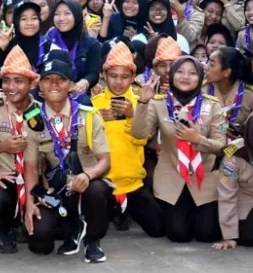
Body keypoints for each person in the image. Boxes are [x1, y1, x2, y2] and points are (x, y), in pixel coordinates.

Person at [23, 59, 111, 263]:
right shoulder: (33, 120)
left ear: (71, 85)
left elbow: (105, 161)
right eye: (47, 79)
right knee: (39, 238)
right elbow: (31, 167)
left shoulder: (88, 116)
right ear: (40, 86)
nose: (54, 84)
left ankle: (93, 240)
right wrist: (30, 204)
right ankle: (74, 226)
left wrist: (87, 175)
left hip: (88, 181)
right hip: (59, 187)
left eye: (60, 79)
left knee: (96, 190)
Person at [132, 57, 224, 243]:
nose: (185, 77)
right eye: (180, 71)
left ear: (200, 78)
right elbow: (139, 133)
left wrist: (198, 140)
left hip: (204, 179)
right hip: (172, 177)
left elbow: (220, 145)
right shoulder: (158, 103)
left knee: (206, 235)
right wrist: (142, 102)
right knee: (178, 235)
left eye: (192, 73)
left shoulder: (212, 105)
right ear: (172, 75)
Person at [91, 42, 164, 237]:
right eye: (113, 76)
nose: (118, 82)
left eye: (124, 76)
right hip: (104, 182)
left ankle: (124, 212)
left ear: (133, 77)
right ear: (104, 76)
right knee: (95, 230)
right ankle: (116, 212)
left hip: (132, 181)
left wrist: (133, 114)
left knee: (157, 228)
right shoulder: (95, 103)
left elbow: (143, 140)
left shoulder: (141, 101)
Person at [0, 45, 40, 253]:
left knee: (43, 237)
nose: (11, 87)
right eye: (6, 80)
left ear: (31, 84)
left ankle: (24, 221)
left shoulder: (40, 111)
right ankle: (4, 229)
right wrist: (4, 146)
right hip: (6, 177)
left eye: (18, 81)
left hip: (33, 179)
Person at [43, 0, 102, 95]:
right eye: (57, 14)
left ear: (76, 15)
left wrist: (84, 83)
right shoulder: (47, 40)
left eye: (67, 13)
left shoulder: (91, 44)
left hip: (78, 94)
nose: (61, 18)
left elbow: (93, 74)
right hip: (49, 93)